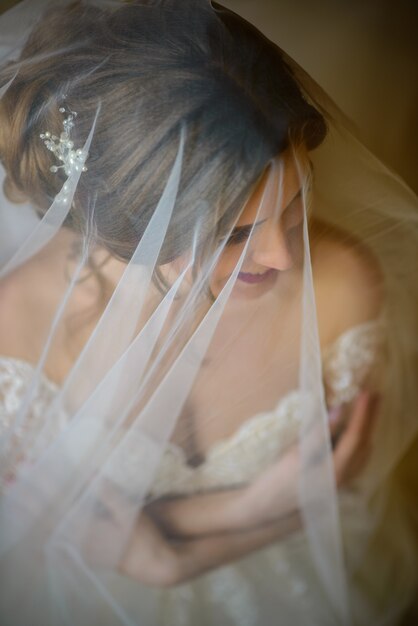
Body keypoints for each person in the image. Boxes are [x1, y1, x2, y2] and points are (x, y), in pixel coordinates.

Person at [0, 1, 417, 625]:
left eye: (295, 204)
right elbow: (23, 522)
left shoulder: (339, 290)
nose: (280, 254)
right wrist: (241, 515)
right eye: (231, 233)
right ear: (121, 225)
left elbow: (342, 484)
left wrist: (168, 545)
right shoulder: (18, 325)